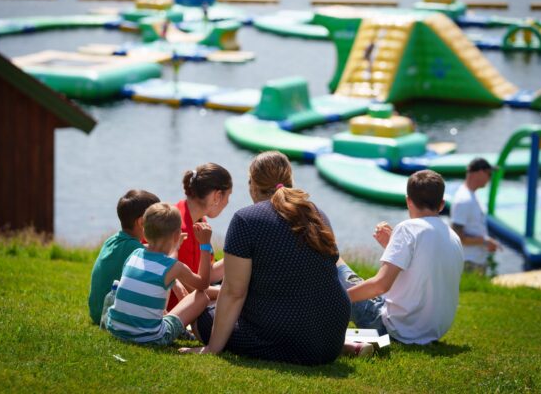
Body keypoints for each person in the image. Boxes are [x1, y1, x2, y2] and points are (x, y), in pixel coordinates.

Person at [181, 151, 350, 365]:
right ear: (289, 181)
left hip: (288, 336)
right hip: (329, 341)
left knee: (202, 317)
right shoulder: (316, 213)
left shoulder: (246, 219)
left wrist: (212, 348)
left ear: (253, 185)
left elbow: (234, 292)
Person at [340, 170, 464, 350]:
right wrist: (392, 245)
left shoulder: (408, 228)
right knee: (353, 282)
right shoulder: (453, 237)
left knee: (340, 271)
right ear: (442, 204)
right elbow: (422, 270)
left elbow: (380, 285)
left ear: (408, 201)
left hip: (395, 329)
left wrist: (338, 299)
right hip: (431, 330)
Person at [106, 202, 211, 346]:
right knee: (200, 297)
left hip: (116, 329)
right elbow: (203, 284)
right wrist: (205, 245)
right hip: (151, 338)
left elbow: (164, 263)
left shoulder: (135, 254)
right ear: (176, 235)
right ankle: (196, 334)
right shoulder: (174, 267)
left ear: (144, 230)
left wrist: (175, 246)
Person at [88, 189, 160, 325]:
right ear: (141, 222)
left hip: (96, 312)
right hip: (110, 315)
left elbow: (137, 248)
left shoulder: (113, 240)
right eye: (157, 219)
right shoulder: (136, 250)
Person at [167, 163, 232, 310]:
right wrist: (232, 293)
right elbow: (191, 288)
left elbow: (206, 272)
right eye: (228, 195)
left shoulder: (198, 219)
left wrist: (238, 256)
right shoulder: (179, 230)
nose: (228, 202)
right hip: (174, 308)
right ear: (217, 196)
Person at [450, 157, 499, 274]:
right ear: (480, 173)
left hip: (475, 260)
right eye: (489, 174)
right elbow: (458, 237)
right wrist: (485, 241)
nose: (490, 178)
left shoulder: (470, 195)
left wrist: (486, 240)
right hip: (469, 262)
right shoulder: (464, 199)